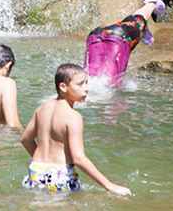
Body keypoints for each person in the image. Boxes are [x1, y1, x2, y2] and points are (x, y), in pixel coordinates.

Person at [20, 64, 131, 196]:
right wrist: (109, 185)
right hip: (59, 174)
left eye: (86, 83)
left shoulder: (42, 108)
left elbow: (25, 139)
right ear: (63, 87)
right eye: (80, 84)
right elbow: (78, 158)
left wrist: (44, 164)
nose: (86, 89)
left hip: (36, 170)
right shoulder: (73, 117)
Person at [84, 0, 165, 87]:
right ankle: (141, 29)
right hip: (95, 35)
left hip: (119, 37)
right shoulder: (85, 83)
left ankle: (151, 3)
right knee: (131, 26)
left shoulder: (106, 89)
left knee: (136, 24)